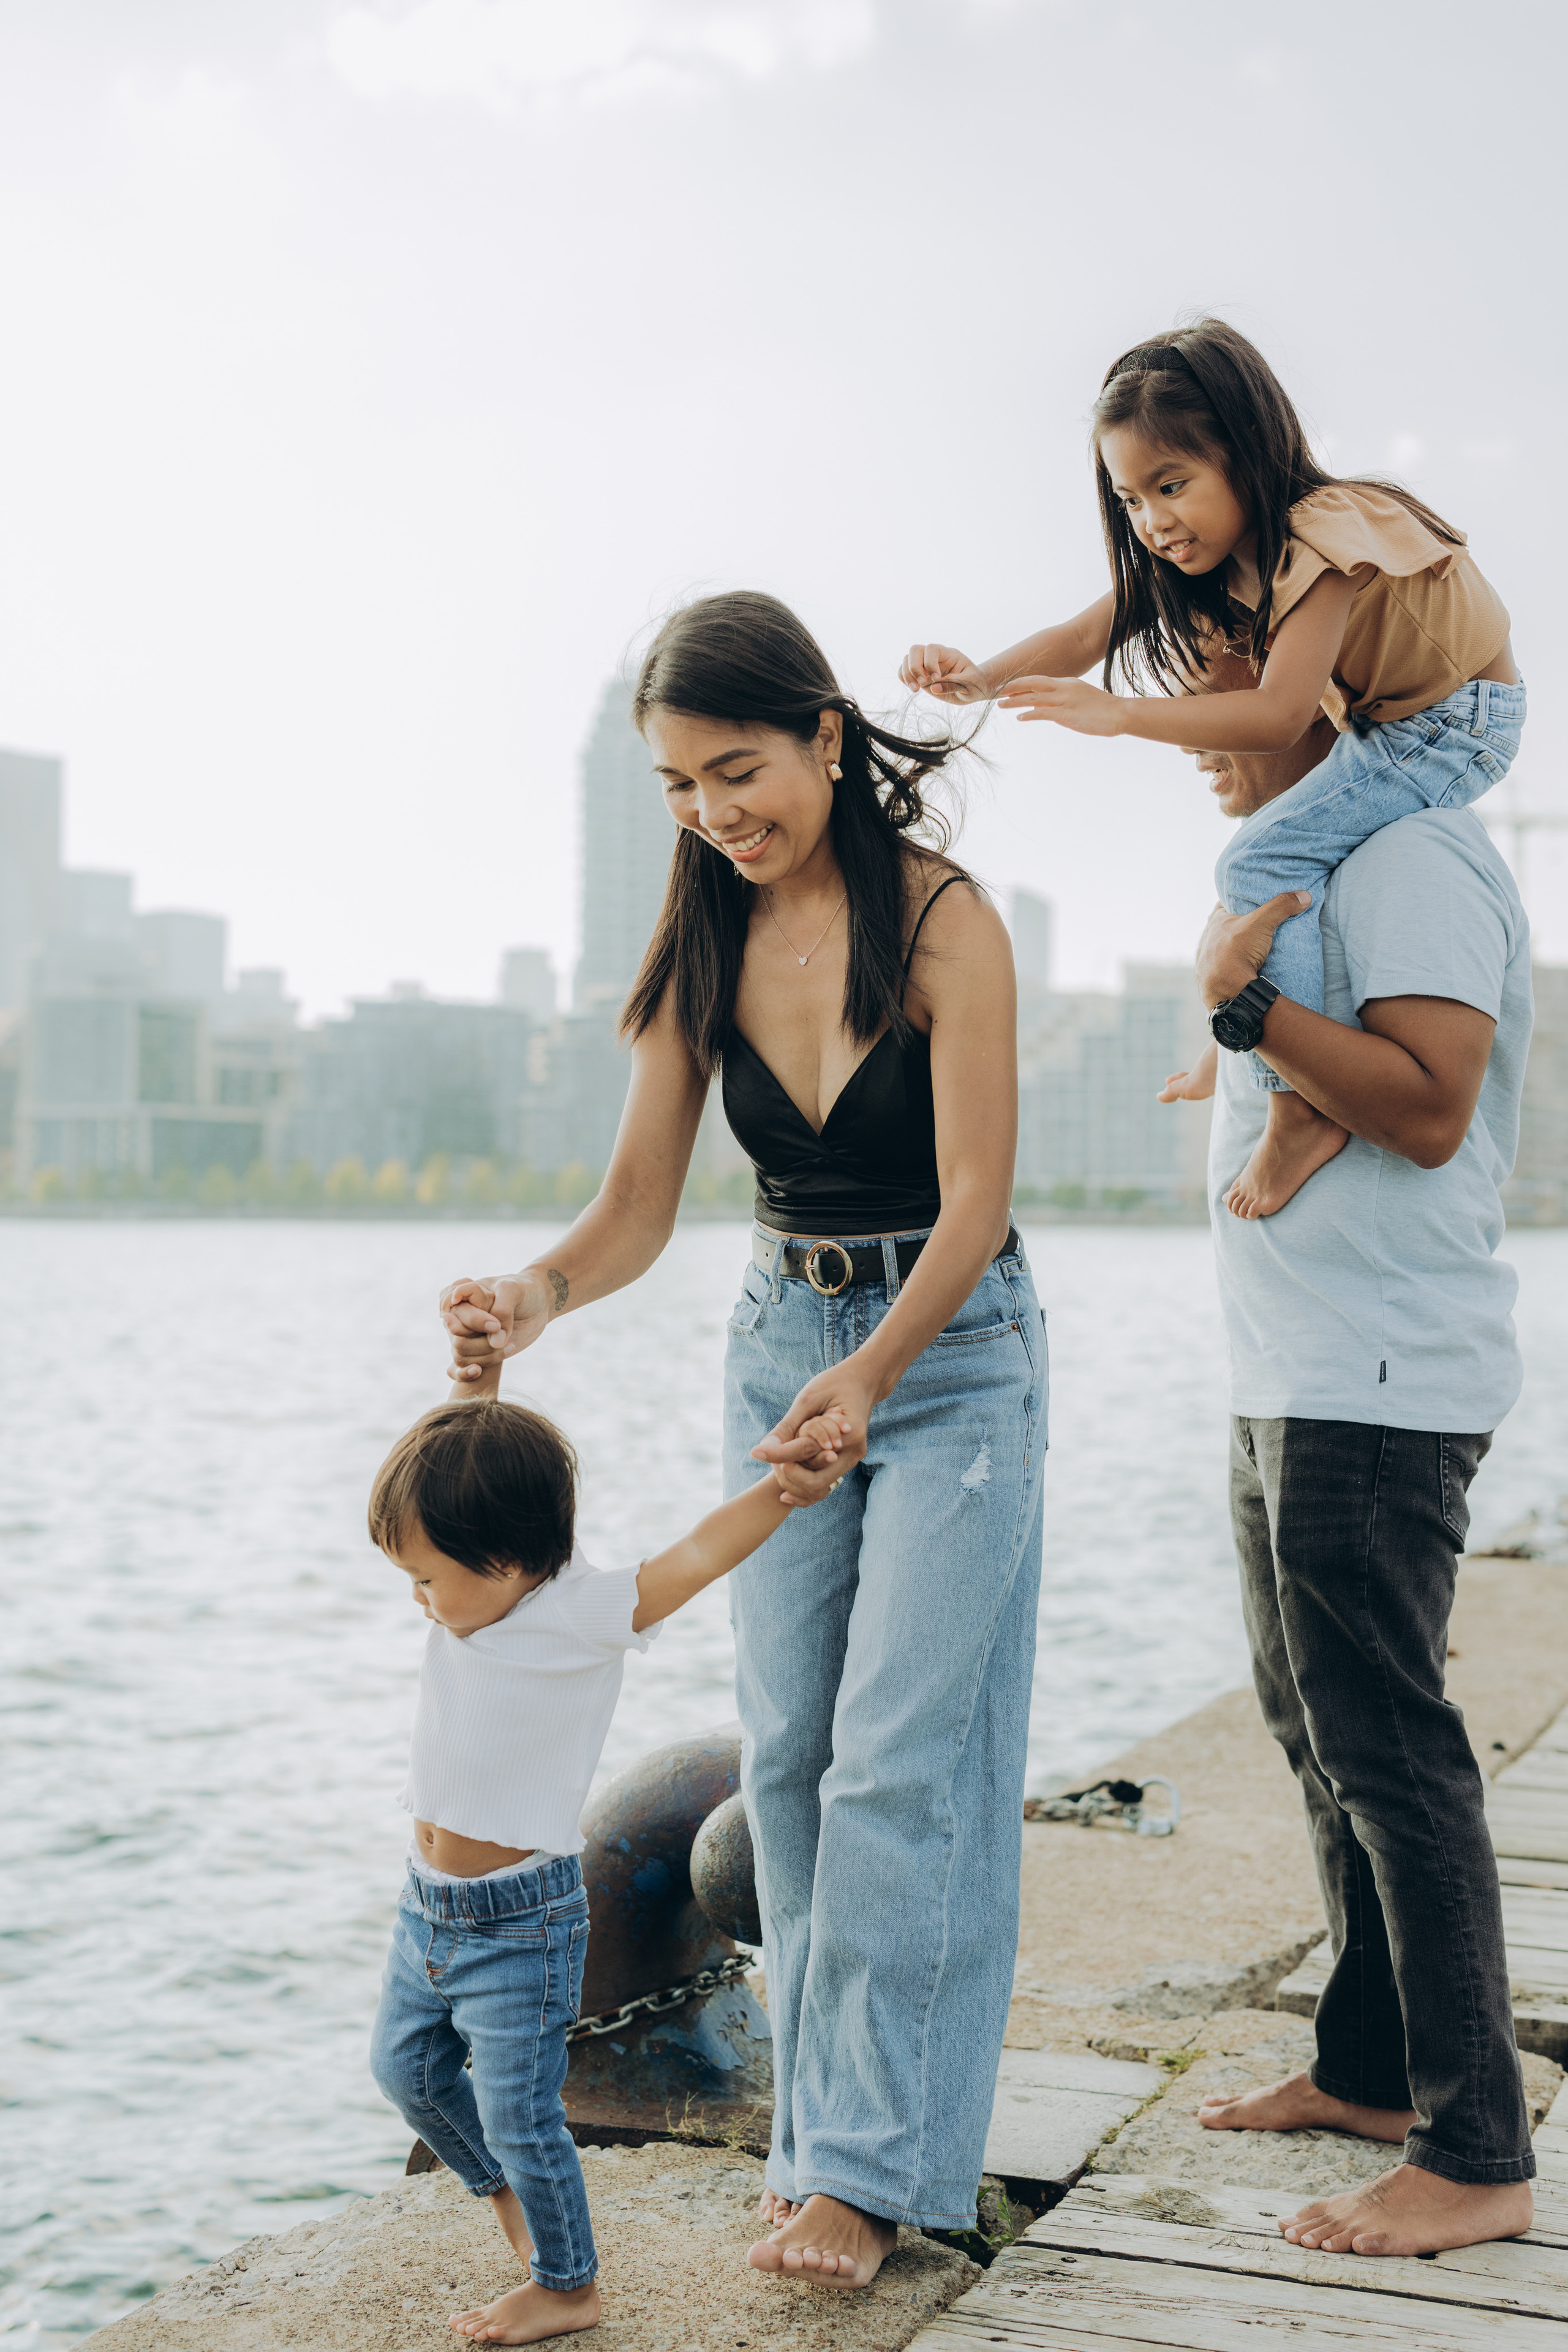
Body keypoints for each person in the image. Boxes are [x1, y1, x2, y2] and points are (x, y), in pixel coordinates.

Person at [440, 590, 1047, 2293]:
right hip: (781, 1344)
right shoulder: (699, 940)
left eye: (738, 769)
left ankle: (871, 2173)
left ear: (828, 741)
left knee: (903, 1764)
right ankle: (825, 2152)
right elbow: (639, 1206)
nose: (715, 812)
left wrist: (878, 1374)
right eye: (678, 786)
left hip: (952, 1352)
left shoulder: (944, 922)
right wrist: (536, 1291)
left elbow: (983, 1202)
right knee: (787, 1765)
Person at [1158, 652, 1536, 2260]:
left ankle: (1476, 2148)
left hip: (1378, 1375)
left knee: (1390, 1744)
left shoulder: (1416, 852)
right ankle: (1374, 2072)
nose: (1196, 739)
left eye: (1223, 700)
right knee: (1312, 1726)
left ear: (1330, 710)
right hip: (1298, 1365)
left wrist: (1249, 1012)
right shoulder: (1319, 875)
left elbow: (1433, 1105)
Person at [899, 316, 1523, 1219]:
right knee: (1278, 862)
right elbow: (1083, 636)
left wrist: (1119, 716)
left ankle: (1300, 1107)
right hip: (1402, 724)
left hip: (1455, 722)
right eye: (1130, 500)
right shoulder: (1213, 562)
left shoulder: (1318, 538)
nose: (1153, 522)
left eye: (1172, 485)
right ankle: (1243, 1051)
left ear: (1248, 455)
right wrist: (980, 677)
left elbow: (1276, 715)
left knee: (1256, 862)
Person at [368, 1365, 846, 2344]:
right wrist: (482, 1378)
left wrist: (781, 1488)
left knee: (521, 2107)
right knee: (406, 2072)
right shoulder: (475, 1597)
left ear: (504, 1561)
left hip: (520, 1922)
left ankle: (567, 2282)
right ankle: (503, 2192)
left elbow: (698, 1553)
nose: (418, 1598)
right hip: (426, 1907)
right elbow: (482, 1463)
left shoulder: (578, 1615)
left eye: (425, 1577)